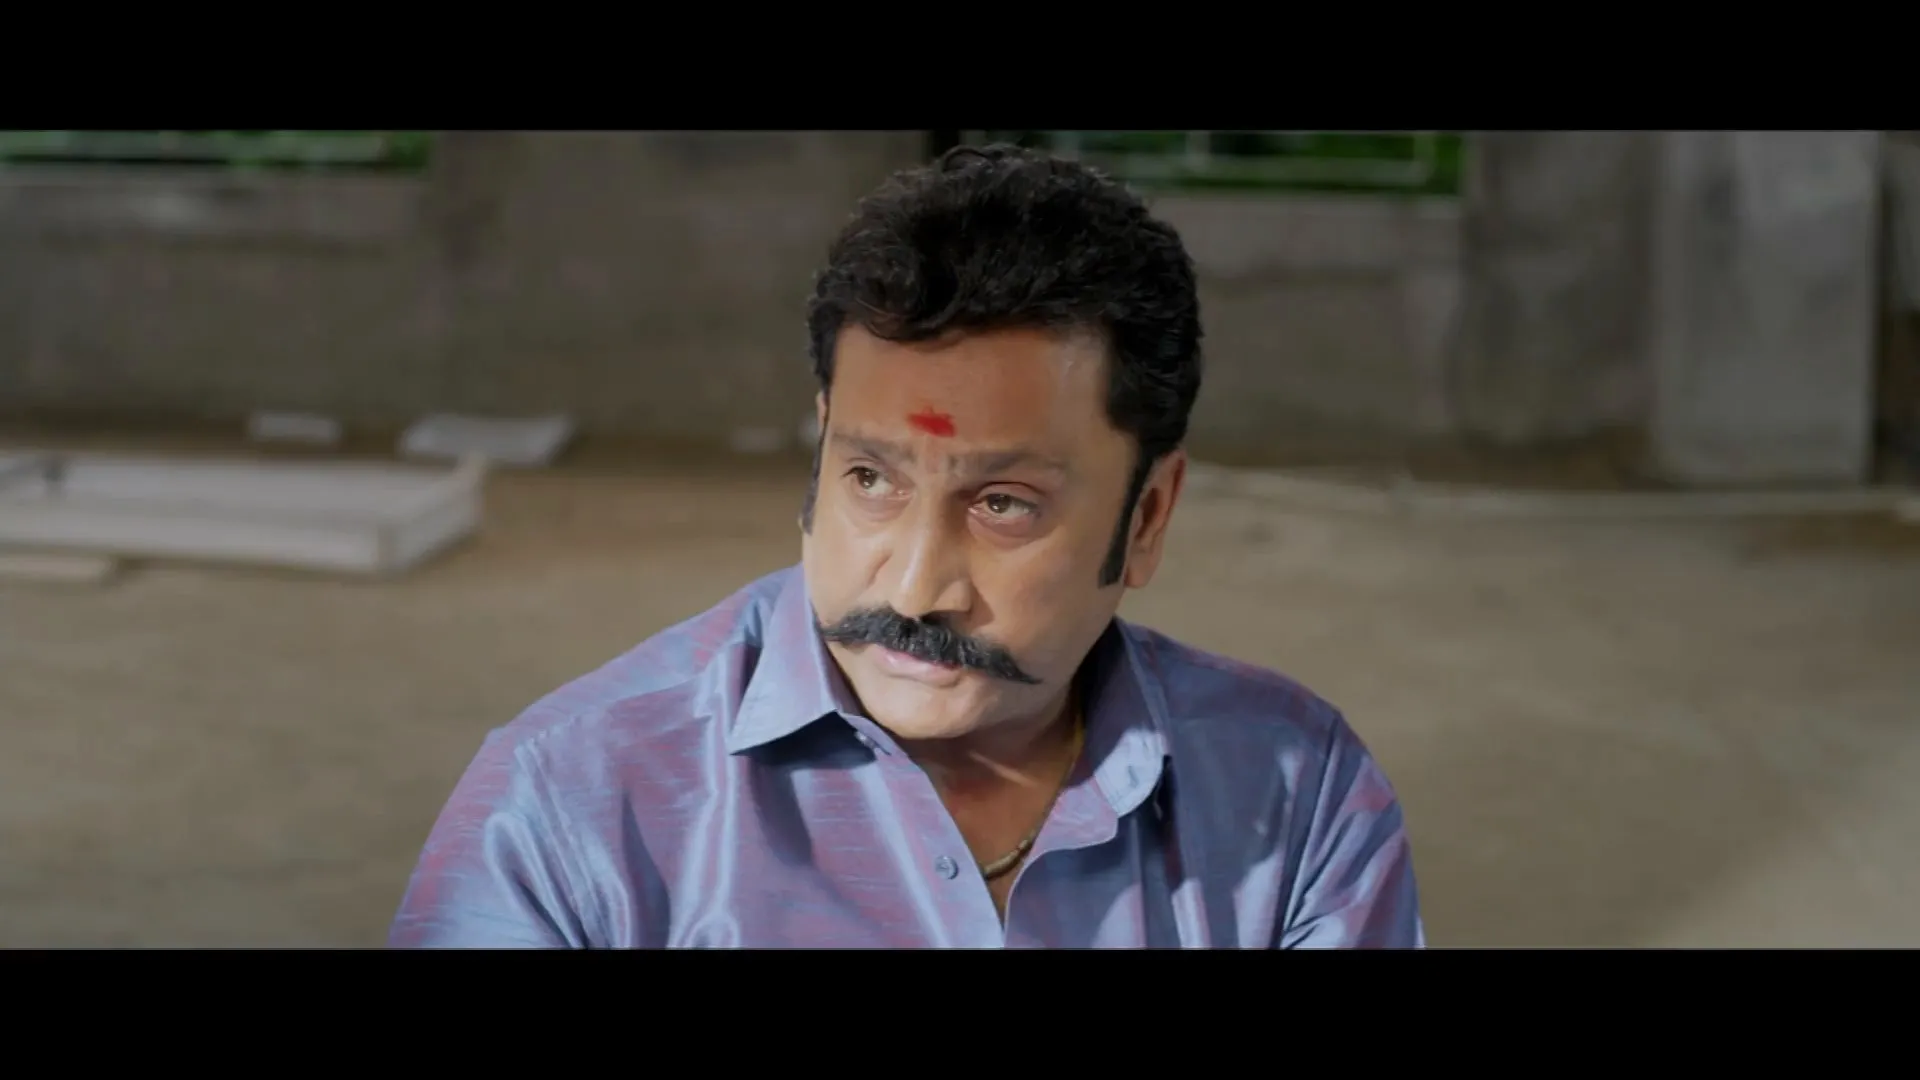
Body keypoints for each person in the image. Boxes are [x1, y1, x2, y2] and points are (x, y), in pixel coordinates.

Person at [388, 144, 1424, 948]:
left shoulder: (1297, 795)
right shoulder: (568, 803)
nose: (918, 588)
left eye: (1004, 503)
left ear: (1146, 517)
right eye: (871, 480)